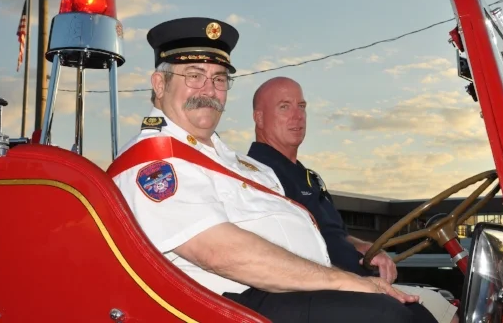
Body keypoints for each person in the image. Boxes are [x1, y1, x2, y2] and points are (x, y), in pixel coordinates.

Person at [108, 17, 438, 323]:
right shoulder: (153, 163)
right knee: (388, 316)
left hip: (289, 291)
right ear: (159, 84)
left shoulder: (240, 164)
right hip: (231, 303)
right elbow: (220, 253)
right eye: (194, 76)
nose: (209, 91)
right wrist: (346, 281)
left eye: (219, 79)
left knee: (413, 313)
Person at [247, 76, 459, 323]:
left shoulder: (307, 177)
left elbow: (335, 233)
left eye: (301, 107)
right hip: (324, 290)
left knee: (448, 309)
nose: (298, 116)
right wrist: (352, 282)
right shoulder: (258, 175)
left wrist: (364, 247)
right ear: (259, 117)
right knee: (412, 314)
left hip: (358, 281)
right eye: (284, 107)